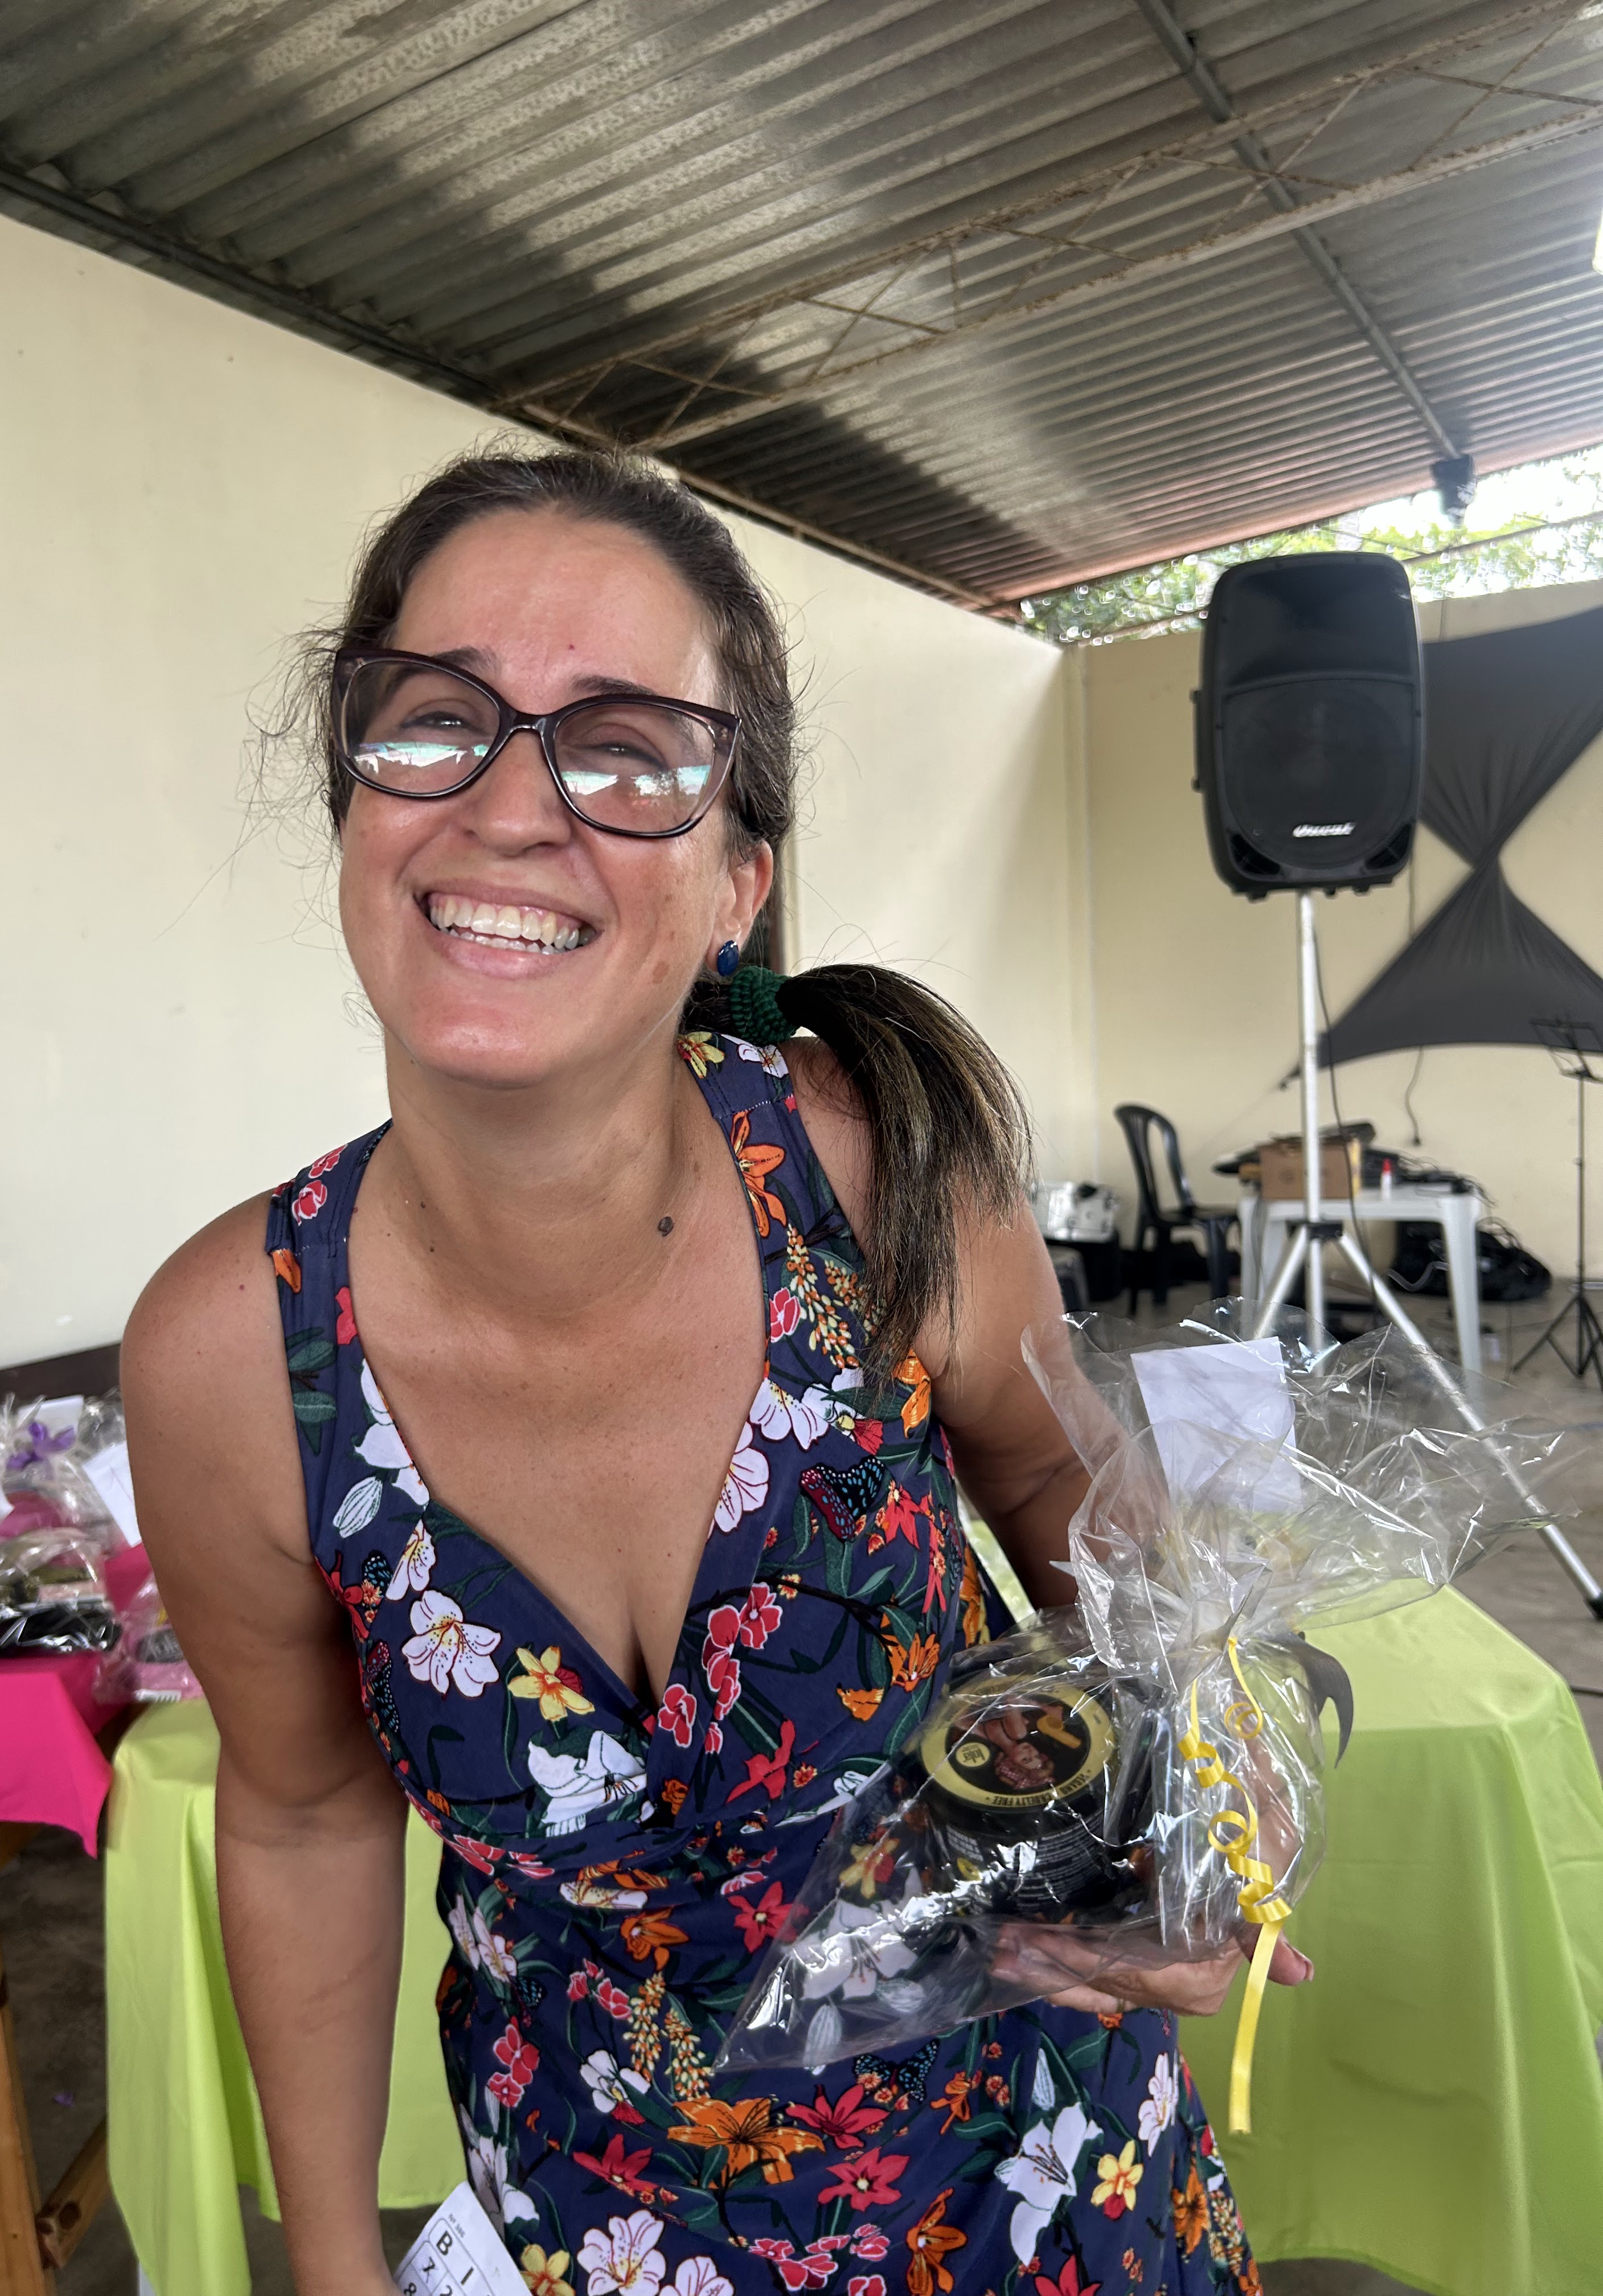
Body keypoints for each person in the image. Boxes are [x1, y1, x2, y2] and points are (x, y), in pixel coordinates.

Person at [124, 449, 1308, 2296]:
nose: (513, 806)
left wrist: (1204, 1790)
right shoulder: (232, 1358)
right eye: (435, 721)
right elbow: (299, 1814)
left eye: (625, 753)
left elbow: (1065, 1483)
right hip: (599, 2227)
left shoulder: (873, 1174)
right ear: (354, 797)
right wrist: (337, 2267)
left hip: (1045, 2179)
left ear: (736, 882)